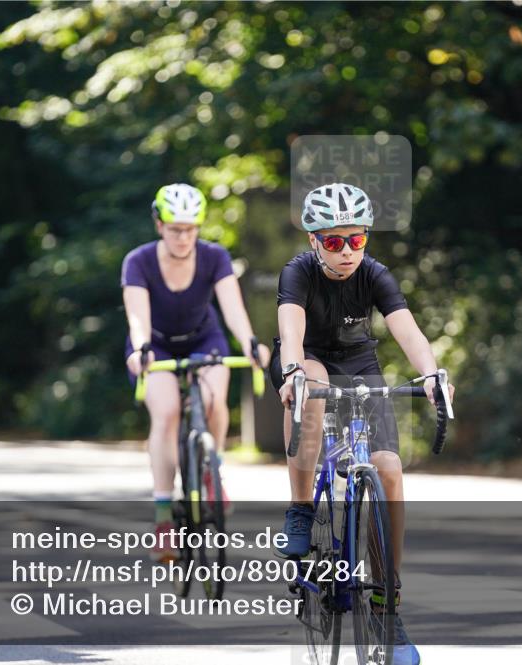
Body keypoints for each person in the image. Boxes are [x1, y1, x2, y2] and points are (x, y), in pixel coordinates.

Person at [270, 183, 456, 665]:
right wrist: (292, 370)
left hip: (358, 365)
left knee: (388, 467)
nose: (347, 250)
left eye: (357, 239)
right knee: (312, 383)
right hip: (306, 360)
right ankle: (302, 508)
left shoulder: (374, 274)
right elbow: (291, 330)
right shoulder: (298, 273)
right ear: (314, 241)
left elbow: (407, 329)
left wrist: (432, 373)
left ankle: (387, 602)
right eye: (334, 241)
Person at [122, 183, 270, 562]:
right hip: (155, 345)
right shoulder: (138, 261)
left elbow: (233, 308)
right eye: (175, 229)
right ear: (159, 225)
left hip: (205, 339)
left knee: (211, 396)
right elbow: (137, 317)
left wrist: (251, 343)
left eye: (190, 229)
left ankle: (211, 469)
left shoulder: (215, 257)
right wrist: (141, 351)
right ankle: (162, 518)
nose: (184, 237)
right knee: (167, 411)